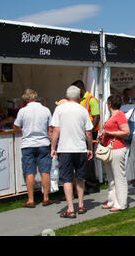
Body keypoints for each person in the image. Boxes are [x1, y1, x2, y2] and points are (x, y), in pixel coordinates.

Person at [50, 86, 94, 218]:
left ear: (67, 95)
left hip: (65, 148)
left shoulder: (59, 109)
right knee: (80, 177)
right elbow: (88, 132)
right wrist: (90, 147)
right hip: (80, 147)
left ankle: (70, 208)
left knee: (67, 178)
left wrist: (53, 147)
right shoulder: (83, 110)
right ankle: (80, 204)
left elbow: (55, 130)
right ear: (79, 96)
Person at [13, 89, 54, 208]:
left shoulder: (23, 111)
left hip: (28, 144)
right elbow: (50, 128)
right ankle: (46, 197)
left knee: (29, 172)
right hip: (43, 143)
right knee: (45, 171)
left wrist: (23, 130)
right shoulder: (45, 110)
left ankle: (31, 200)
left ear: (25, 99)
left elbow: (16, 126)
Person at [98, 95, 130, 212]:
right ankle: (112, 201)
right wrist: (104, 134)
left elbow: (126, 132)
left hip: (117, 148)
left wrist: (109, 133)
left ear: (109, 104)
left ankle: (121, 203)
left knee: (118, 176)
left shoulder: (120, 115)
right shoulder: (112, 116)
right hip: (109, 148)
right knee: (111, 177)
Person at [71, 80, 100, 194]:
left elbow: (96, 117)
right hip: (81, 133)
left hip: (90, 133)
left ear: (80, 89)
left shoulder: (91, 100)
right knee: (83, 159)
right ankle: (86, 183)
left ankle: (92, 185)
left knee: (88, 159)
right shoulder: (78, 101)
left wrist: (89, 131)